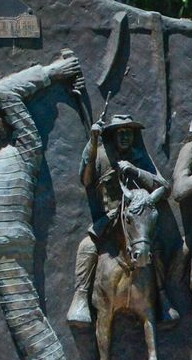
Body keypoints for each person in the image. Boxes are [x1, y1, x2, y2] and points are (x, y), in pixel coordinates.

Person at [0, 59, 87, 360]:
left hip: (11, 245)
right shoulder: (9, 151)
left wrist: (51, 73)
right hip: (3, 244)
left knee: (24, 315)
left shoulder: (27, 145)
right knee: (21, 315)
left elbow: (8, 91)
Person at [70, 112, 170, 328]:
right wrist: (94, 141)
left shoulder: (141, 157)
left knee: (157, 248)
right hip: (110, 217)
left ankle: (163, 298)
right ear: (113, 136)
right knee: (86, 247)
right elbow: (87, 180)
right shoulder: (101, 155)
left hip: (137, 217)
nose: (125, 137)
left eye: (129, 133)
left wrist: (136, 171)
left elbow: (165, 187)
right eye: (120, 133)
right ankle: (80, 298)